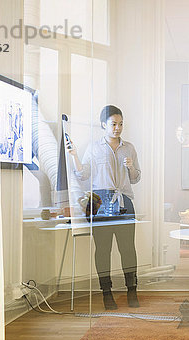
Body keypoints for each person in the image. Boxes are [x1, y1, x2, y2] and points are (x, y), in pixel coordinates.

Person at [68, 105, 142, 310]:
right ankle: (106, 293)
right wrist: (74, 155)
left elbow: (135, 179)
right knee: (103, 249)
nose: (117, 128)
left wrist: (131, 167)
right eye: (113, 124)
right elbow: (83, 175)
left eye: (120, 124)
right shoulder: (93, 147)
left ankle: (132, 290)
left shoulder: (129, 148)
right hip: (100, 201)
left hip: (124, 200)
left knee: (128, 249)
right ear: (103, 125)